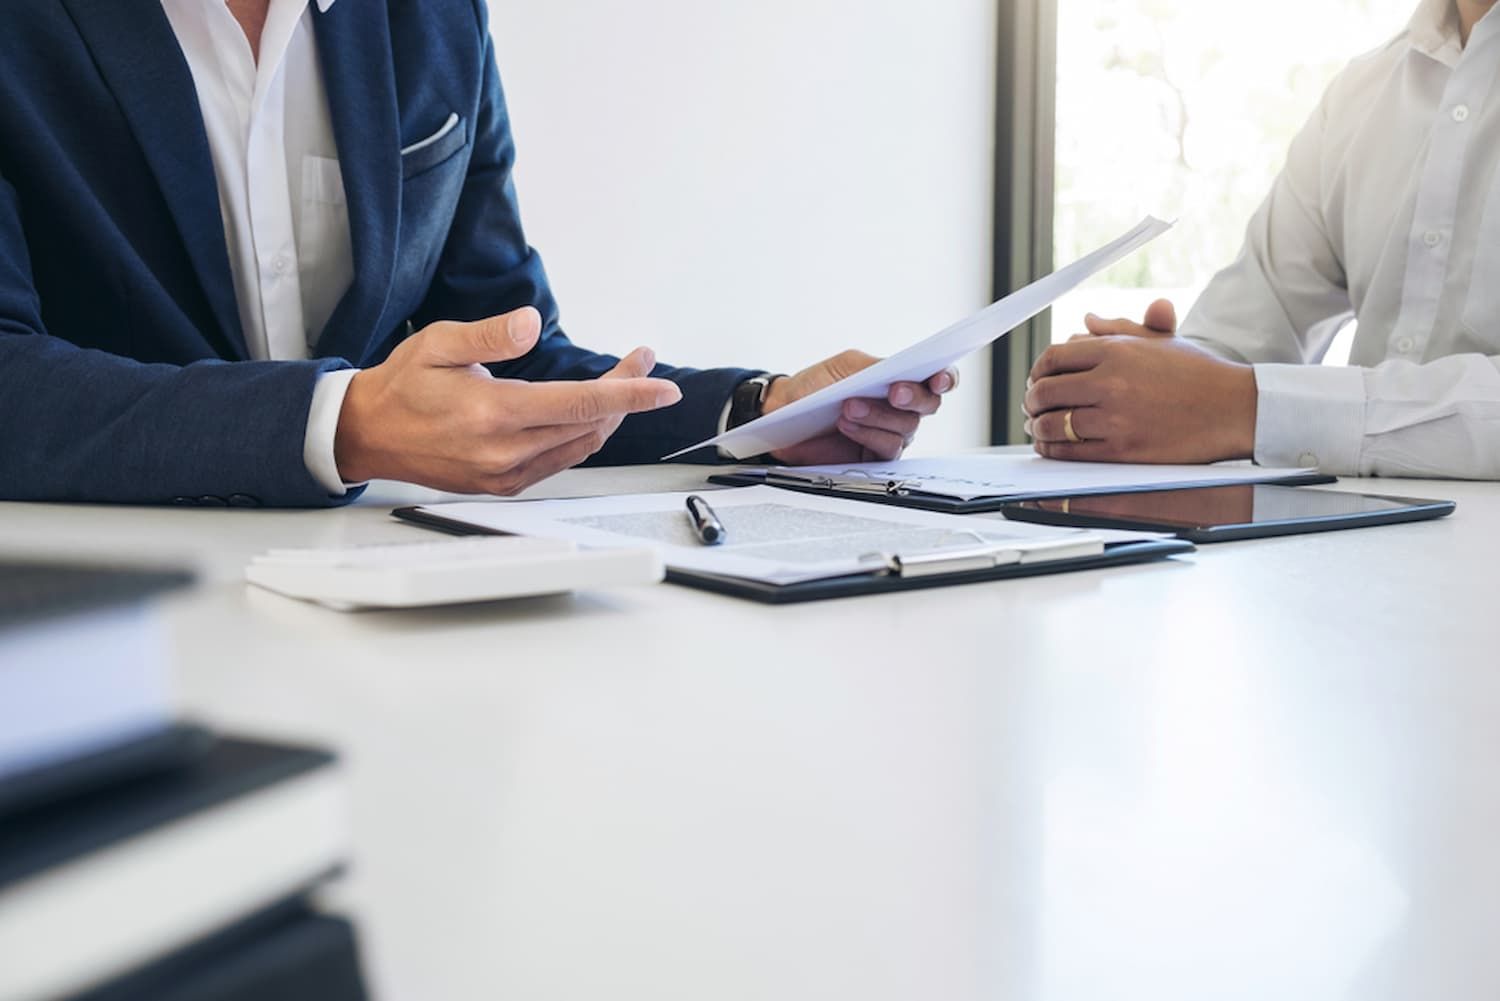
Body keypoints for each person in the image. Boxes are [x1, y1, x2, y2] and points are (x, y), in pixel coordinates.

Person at [0, 0, 956, 508]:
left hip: (385, 629)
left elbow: (509, 361)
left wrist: (761, 413)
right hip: (91, 632)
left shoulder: (435, 15)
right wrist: (340, 421)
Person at [1025, 0, 1500, 480]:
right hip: (1356, 544)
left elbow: (1231, 399)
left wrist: (1242, 407)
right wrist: (1140, 378)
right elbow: (1253, 325)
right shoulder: (1362, 95)